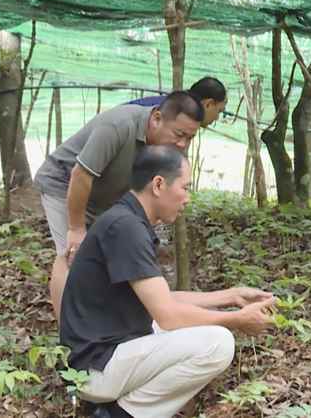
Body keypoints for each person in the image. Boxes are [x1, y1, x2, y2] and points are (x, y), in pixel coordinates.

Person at [60, 145, 275, 418]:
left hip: (104, 353)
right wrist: (238, 319)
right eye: (185, 187)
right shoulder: (126, 228)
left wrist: (231, 297)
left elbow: (163, 299)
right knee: (218, 342)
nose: (188, 198)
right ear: (159, 185)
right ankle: (120, 414)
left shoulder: (127, 220)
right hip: (96, 366)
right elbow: (168, 316)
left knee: (198, 327)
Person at [34, 91, 203, 321]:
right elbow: (81, 174)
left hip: (104, 194)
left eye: (189, 138)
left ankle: (100, 321)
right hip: (64, 184)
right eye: (179, 134)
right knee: (71, 254)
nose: (182, 144)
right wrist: (76, 228)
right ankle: (68, 333)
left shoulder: (167, 150)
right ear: (156, 119)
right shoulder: (118, 126)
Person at [128, 77, 228, 127]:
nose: (216, 118)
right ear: (208, 104)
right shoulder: (174, 116)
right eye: (219, 111)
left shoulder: (174, 103)